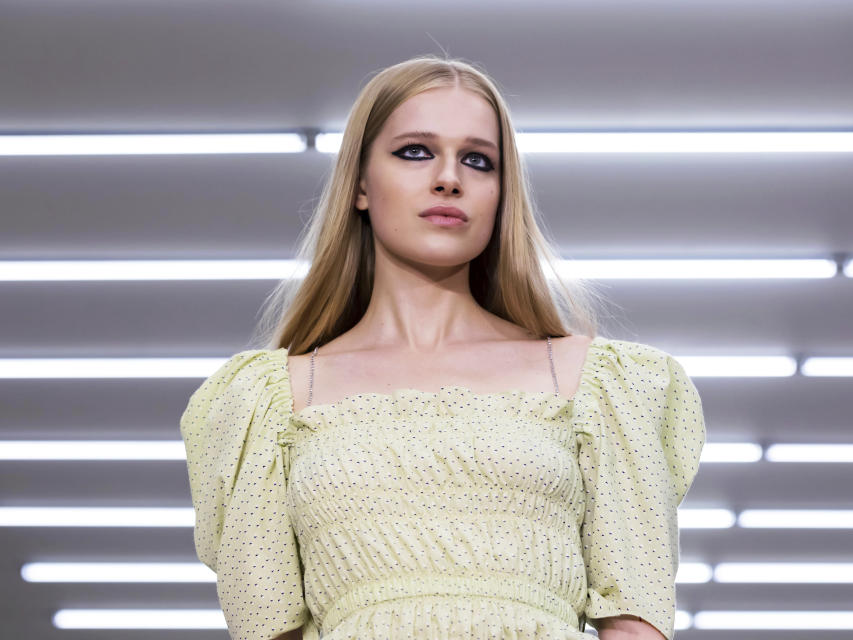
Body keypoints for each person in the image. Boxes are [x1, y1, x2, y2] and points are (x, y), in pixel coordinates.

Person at [180, 54, 705, 640]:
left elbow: (636, 623)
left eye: (478, 160)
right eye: (415, 151)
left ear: (501, 194)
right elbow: (268, 628)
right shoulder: (267, 401)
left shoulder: (597, 383)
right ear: (358, 182)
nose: (449, 177)